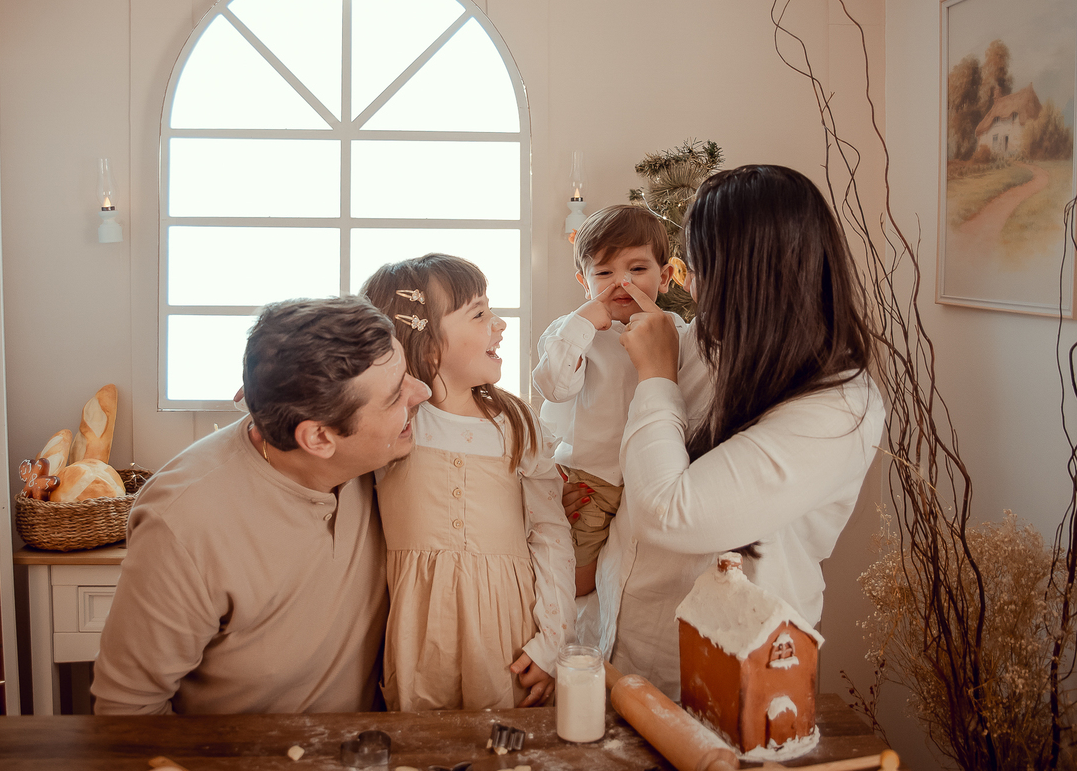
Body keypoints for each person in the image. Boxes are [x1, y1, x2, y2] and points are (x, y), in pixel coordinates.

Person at [594, 165, 885, 699]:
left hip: (731, 671)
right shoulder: (709, 339)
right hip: (621, 639)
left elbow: (668, 512)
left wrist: (657, 376)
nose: (689, 282)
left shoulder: (838, 408)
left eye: (700, 267)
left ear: (748, 276)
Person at [91, 297, 430, 715]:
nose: (423, 393)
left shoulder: (369, 458)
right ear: (319, 439)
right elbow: (127, 713)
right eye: (396, 395)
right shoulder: (183, 526)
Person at [361, 253, 575, 711]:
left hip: (508, 635)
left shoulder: (518, 425)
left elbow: (550, 534)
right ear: (429, 345)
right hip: (418, 630)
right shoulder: (395, 425)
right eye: (479, 313)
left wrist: (553, 640)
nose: (498, 324)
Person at [533, 204, 689, 597]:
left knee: (643, 576)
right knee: (577, 582)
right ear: (584, 282)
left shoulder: (678, 333)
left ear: (665, 276)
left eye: (637, 269)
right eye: (604, 272)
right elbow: (554, 388)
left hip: (657, 474)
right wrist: (582, 324)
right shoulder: (571, 332)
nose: (621, 282)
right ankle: (569, 644)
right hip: (592, 476)